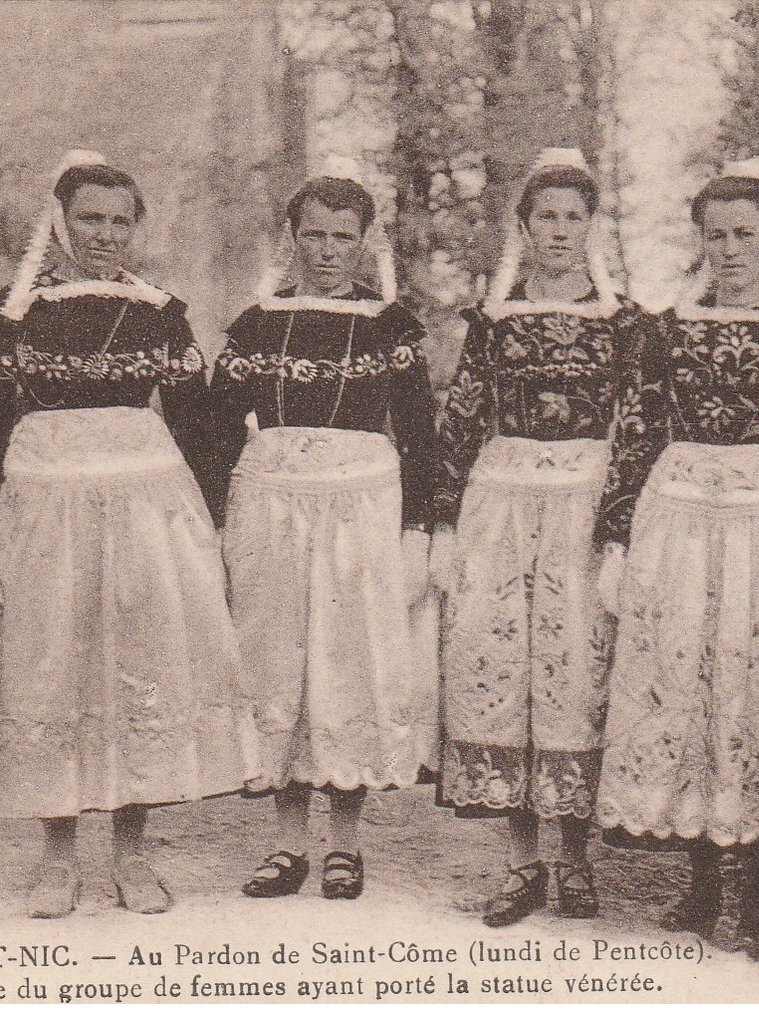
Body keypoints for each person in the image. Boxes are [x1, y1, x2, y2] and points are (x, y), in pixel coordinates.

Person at [0, 151, 256, 919]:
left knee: (140, 663)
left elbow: (200, 427)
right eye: (91, 217)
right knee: (52, 663)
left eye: (121, 221)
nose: (106, 234)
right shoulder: (14, 311)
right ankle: (57, 857)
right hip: (43, 505)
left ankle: (131, 850)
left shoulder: (160, 312)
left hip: (147, 508)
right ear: (59, 221)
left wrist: (218, 527)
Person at [593, 158, 759, 959]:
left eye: (744, 234)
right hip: (679, 522)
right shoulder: (664, 329)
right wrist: (616, 535)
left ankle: (758, 888)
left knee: (752, 687)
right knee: (686, 684)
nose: (729, 249)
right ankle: (700, 880)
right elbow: (635, 431)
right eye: (715, 235)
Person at [208, 158, 440, 903]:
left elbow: (421, 434)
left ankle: (344, 842)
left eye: (344, 236)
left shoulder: (390, 326)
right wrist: (208, 526)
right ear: (293, 237)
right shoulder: (256, 323)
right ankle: (285, 841)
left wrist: (417, 530)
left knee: (345, 662)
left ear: (365, 241)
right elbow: (213, 430)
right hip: (270, 510)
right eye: (314, 234)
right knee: (277, 659)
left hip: (360, 512)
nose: (328, 250)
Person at [431, 149, 644, 927]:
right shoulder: (494, 319)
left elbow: (639, 429)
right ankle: (521, 863)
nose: (559, 230)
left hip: (581, 506)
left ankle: (575, 858)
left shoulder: (623, 322)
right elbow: (461, 414)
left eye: (573, 216)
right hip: (502, 504)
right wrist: (443, 520)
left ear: (591, 225)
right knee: (505, 668)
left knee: (573, 671)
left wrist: (618, 529)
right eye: (545, 216)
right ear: (523, 227)